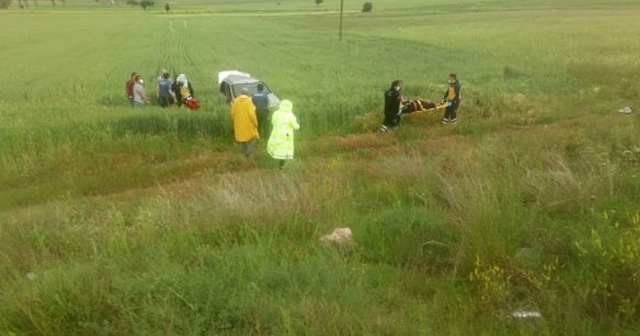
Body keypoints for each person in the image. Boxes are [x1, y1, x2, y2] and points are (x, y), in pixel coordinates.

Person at [267, 99, 300, 170]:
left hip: (276, 134)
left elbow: (273, 122)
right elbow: (295, 126)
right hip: (286, 136)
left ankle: (280, 165)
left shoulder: (276, 113)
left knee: (277, 148)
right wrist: (298, 125)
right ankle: (282, 167)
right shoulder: (291, 116)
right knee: (284, 151)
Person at [231, 87, 259, 157]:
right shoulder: (249, 101)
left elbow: (232, 113)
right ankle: (249, 152)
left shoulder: (236, 101)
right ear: (248, 93)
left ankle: (245, 153)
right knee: (254, 137)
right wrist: (255, 123)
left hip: (239, 123)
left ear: (241, 93)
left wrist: (234, 121)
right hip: (248, 124)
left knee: (242, 138)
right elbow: (252, 114)